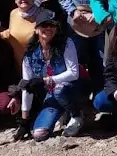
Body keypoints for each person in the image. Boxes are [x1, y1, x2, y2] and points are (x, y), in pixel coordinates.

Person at [16, 9, 83, 141]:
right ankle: (61, 112)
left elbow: (74, 73)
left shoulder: (66, 43)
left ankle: (76, 115)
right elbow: (27, 87)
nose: (48, 28)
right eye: (44, 25)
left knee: (59, 89)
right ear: (36, 29)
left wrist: (46, 80)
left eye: (52, 25)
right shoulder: (30, 54)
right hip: (51, 95)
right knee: (39, 135)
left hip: (72, 88)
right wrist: (24, 120)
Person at [2, 0, 45, 66]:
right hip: (17, 64)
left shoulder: (44, 15)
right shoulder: (13, 13)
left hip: (38, 66)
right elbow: (12, 32)